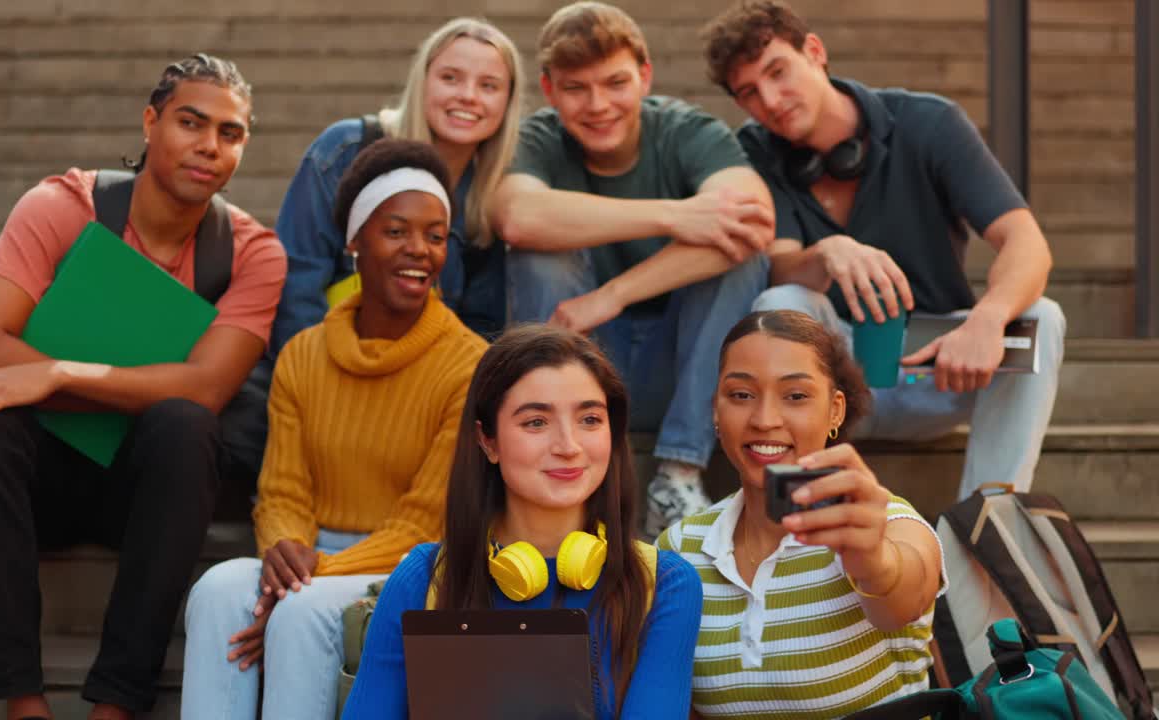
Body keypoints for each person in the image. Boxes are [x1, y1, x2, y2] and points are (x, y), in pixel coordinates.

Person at [0, 54, 285, 720]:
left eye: (231, 133)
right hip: (41, 483)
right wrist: (57, 389)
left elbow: (206, 388)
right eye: (191, 122)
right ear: (151, 122)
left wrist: (58, 371)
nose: (210, 145)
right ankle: (22, 697)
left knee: (188, 426)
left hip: (147, 493)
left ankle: (118, 702)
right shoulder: (64, 205)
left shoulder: (252, 253)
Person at [703, 0, 1066, 499]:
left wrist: (987, 318)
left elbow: (1026, 241)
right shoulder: (754, 152)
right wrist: (828, 251)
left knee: (1041, 318)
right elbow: (781, 268)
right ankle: (797, 515)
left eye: (778, 72)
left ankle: (988, 529)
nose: (771, 99)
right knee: (779, 306)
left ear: (814, 51)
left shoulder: (928, 122)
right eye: (750, 93)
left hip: (936, 372)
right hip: (825, 384)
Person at [180, 139, 488, 720]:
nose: (418, 250)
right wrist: (284, 557)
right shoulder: (302, 355)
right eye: (396, 231)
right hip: (309, 558)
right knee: (219, 588)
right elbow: (283, 492)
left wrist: (308, 576)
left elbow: (425, 523)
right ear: (353, 241)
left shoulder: (469, 365)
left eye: (436, 235)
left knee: (303, 611)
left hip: (414, 562)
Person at [492, 1, 776, 538]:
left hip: (686, 366)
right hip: (584, 356)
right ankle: (575, 470)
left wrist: (614, 293)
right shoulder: (538, 140)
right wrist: (678, 215)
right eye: (576, 88)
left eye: (615, 82)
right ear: (550, 91)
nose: (598, 105)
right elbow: (516, 216)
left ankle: (677, 477)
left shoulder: (688, 132)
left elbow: (754, 224)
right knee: (539, 256)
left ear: (644, 76)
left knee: (741, 258)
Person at [341, 323, 704, 719]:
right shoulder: (424, 578)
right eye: (536, 422)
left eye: (590, 420)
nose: (568, 446)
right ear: (488, 441)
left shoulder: (666, 584)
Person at [219, 19, 527, 481]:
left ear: (507, 103)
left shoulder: (492, 196)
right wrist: (327, 382)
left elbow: (480, 328)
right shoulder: (346, 150)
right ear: (421, 80)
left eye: (488, 85)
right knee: (238, 423)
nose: (468, 96)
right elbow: (296, 283)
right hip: (324, 363)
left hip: (421, 382)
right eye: (450, 78)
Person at [659, 310, 946, 718]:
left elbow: (904, 597)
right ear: (715, 412)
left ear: (835, 411)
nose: (765, 420)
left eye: (795, 396)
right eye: (741, 395)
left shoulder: (886, 520)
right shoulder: (680, 548)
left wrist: (870, 559)